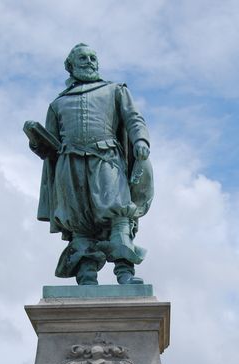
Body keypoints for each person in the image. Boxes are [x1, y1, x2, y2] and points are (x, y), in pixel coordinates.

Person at [24, 43, 153, 286]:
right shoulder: (57, 104)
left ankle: (125, 274)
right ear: (70, 66)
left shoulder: (115, 90)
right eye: (83, 58)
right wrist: (35, 140)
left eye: (93, 57)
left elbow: (134, 119)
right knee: (79, 223)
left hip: (106, 160)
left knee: (119, 215)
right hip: (69, 166)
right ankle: (86, 278)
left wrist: (140, 141)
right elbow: (49, 148)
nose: (89, 61)